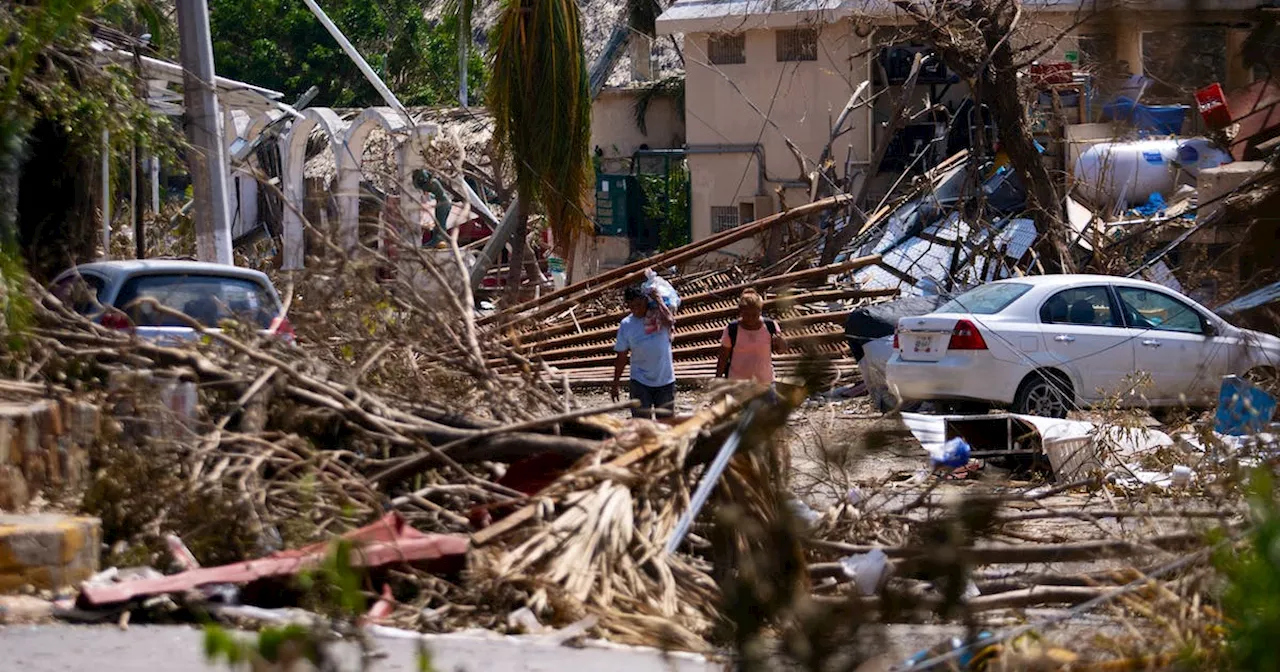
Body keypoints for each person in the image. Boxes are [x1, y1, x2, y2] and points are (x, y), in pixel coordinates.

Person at [611, 284, 676, 418]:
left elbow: (671, 321)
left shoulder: (659, 317)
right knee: (641, 426)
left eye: (639, 304)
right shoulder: (627, 325)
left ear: (646, 300)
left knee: (666, 425)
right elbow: (621, 356)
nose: (636, 309)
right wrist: (615, 383)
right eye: (632, 306)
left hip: (665, 380)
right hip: (640, 382)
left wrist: (658, 300)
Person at [716, 288, 787, 383]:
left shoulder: (770, 326)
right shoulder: (732, 329)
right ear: (740, 312)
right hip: (738, 384)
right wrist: (718, 379)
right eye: (746, 315)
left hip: (765, 382)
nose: (750, 319)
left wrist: (781, 342)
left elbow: (781, 350)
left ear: (760, 311)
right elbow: (723, 357)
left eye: (754, 315)